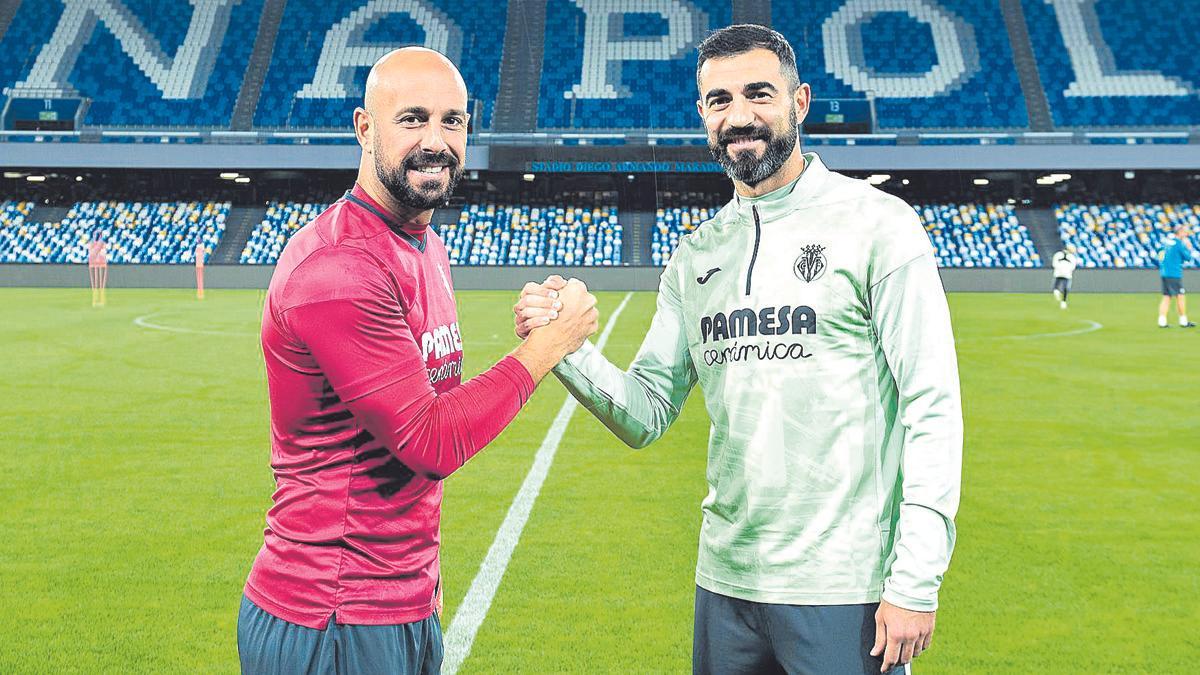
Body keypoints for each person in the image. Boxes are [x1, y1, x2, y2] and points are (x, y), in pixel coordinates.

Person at [516, 25, 961, 675]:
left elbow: (933, 404)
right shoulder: (697, 256)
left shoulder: (878, 226)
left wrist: (916, 579)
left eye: (759, 93)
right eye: (720, 100)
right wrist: (563, 348)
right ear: (703, 115)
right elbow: (645, 410)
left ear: (800, 101)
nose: (740, 116)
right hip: (725, 584)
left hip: (843, 587)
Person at [238, 47, 598, 674]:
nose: (436, 140)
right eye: (412, 119)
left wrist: (533, 329)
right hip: (331, 610)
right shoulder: (341, 267)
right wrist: (545, 346)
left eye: (452, 121)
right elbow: (429, 440)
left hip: (399, 601)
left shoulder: (423, 244)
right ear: (363, 127)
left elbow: (430, 398)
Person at [1157, 223, 1193, 328]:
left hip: (1164, 272)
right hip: (1174, 274)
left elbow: (1160, 253)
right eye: (1185, 232)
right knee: (1180, 296)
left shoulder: (1167, 242)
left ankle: (1162, 321)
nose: (1186, 234)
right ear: (1180, 232)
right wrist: (1188, 247)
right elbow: (1188, 257)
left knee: (1167, 297)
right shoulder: (1179, 244)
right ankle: (1183, 321)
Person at [1051, 245, 1078, 309]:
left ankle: (1056, 292)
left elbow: (1054, 264)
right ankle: (1063, 302)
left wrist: (1059, 269)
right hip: (1067, 274)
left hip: (1058, 273)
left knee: (1057, 284)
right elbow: (1073, 267)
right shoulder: (1072, 257)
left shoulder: (1057, 254)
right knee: (1066, 288)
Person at [87, 231, 107, 307]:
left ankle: (100, 300)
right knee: (95, 283)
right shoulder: (93, 244)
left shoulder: (100, 244)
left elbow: (101, 252)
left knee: (100, 284)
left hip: (100, 262)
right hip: (95, 262)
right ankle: (96, 300)